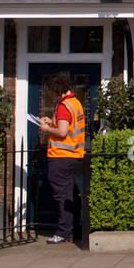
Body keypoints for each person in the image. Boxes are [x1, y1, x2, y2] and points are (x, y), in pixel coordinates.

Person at [37, 73, 85, 245]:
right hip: (75, 156)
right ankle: (76, 229)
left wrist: (46, 129)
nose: (49, 94)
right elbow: (69, 127)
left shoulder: (64, 106)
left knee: (62, 196)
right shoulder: (76, 103)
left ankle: (64, 232)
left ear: (56, 90)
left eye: (50, 90)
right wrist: (52, 121)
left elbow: (63, 132)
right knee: (72, 194)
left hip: (61, 157)